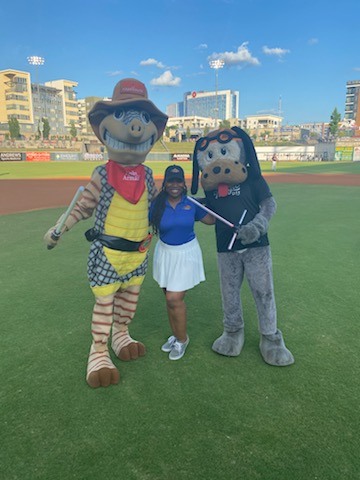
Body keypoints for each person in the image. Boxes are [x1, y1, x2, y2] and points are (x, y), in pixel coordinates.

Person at [149, 164, 215, 360]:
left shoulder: (192, 204)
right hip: (165, 254)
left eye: (178, 181)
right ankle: (176, 335)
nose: (174, 185)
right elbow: (143, 223)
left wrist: (222, 203)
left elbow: (212, 220)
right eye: (171, 181)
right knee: (168, 300)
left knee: (174, 299)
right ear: (165, 183)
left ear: (183, 184)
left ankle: (182, 339)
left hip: (186, 254)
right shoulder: (157, 205)